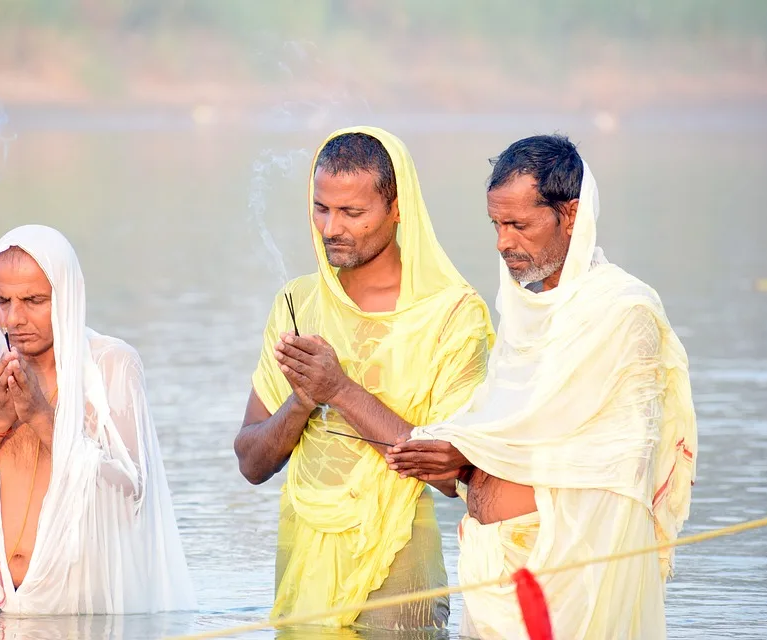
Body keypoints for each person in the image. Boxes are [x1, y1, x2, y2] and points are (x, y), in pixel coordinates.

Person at [386, 135, 698, 638]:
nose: (502, 242)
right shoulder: (521, 310)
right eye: (496, 224)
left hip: (569, 578)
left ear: (570, 215)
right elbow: (509, 423)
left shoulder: (623, 310)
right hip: (495, 568)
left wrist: (466, 454)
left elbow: (610, 461)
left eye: (518, 225)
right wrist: (462, 454)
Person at [234, 126, 494, 629]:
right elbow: (250, 462)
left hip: (397, 578)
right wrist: (302, 402)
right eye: (321, 208)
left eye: (353, 213)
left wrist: (340, 390)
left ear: (399, 209)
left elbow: (451, 476)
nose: (331, 228)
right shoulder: (297, 303)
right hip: (302, 570)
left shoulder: (451, 316)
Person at [0, 224, 195, 614]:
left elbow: (130, 497)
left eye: (33, 300)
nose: (14, 318)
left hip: (70, 604)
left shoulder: (110, 365)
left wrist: (43, 418)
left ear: (67, 295)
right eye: (1, 300)